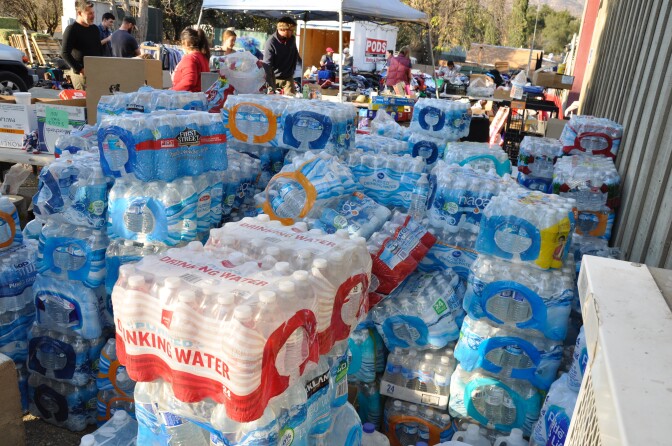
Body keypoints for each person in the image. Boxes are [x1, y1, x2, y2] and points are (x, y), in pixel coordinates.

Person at [61, 0, 102, 90]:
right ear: (80, 13)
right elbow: (64, 53)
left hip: (96, 72)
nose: (93, 16)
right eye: (90, 13)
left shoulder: (94, 29)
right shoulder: (72, 29)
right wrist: (80, 69)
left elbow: (99, 49)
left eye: (93, 13)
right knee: (84, 101)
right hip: (81, 74)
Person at [263, 16, 301, 94]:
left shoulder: (292, 39)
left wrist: (301, 64)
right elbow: (267, 65)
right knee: (273, 101)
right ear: (282, 30)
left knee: (291, 101)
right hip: (274, 77)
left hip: (288, 77)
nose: (293, 32)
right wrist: (269, 84)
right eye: (291, 30)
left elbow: (295, 53)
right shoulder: (271, 42)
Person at [172, 27, 211, 92]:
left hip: (188, 99)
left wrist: (170, 91)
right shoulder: (203, 57)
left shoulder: (190, 58)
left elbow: (189, 82)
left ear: (185, 43)